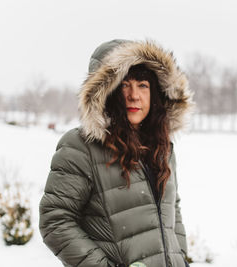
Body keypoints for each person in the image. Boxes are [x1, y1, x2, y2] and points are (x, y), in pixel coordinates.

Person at [39, 39, 193, 267]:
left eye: (143, 85)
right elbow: (55, 219)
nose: (134, 95)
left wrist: (180, 257)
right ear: (105, 91)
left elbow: (173, 211)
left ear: (156, 94)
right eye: (124, 85)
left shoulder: (163, 147)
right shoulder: (82, 146)